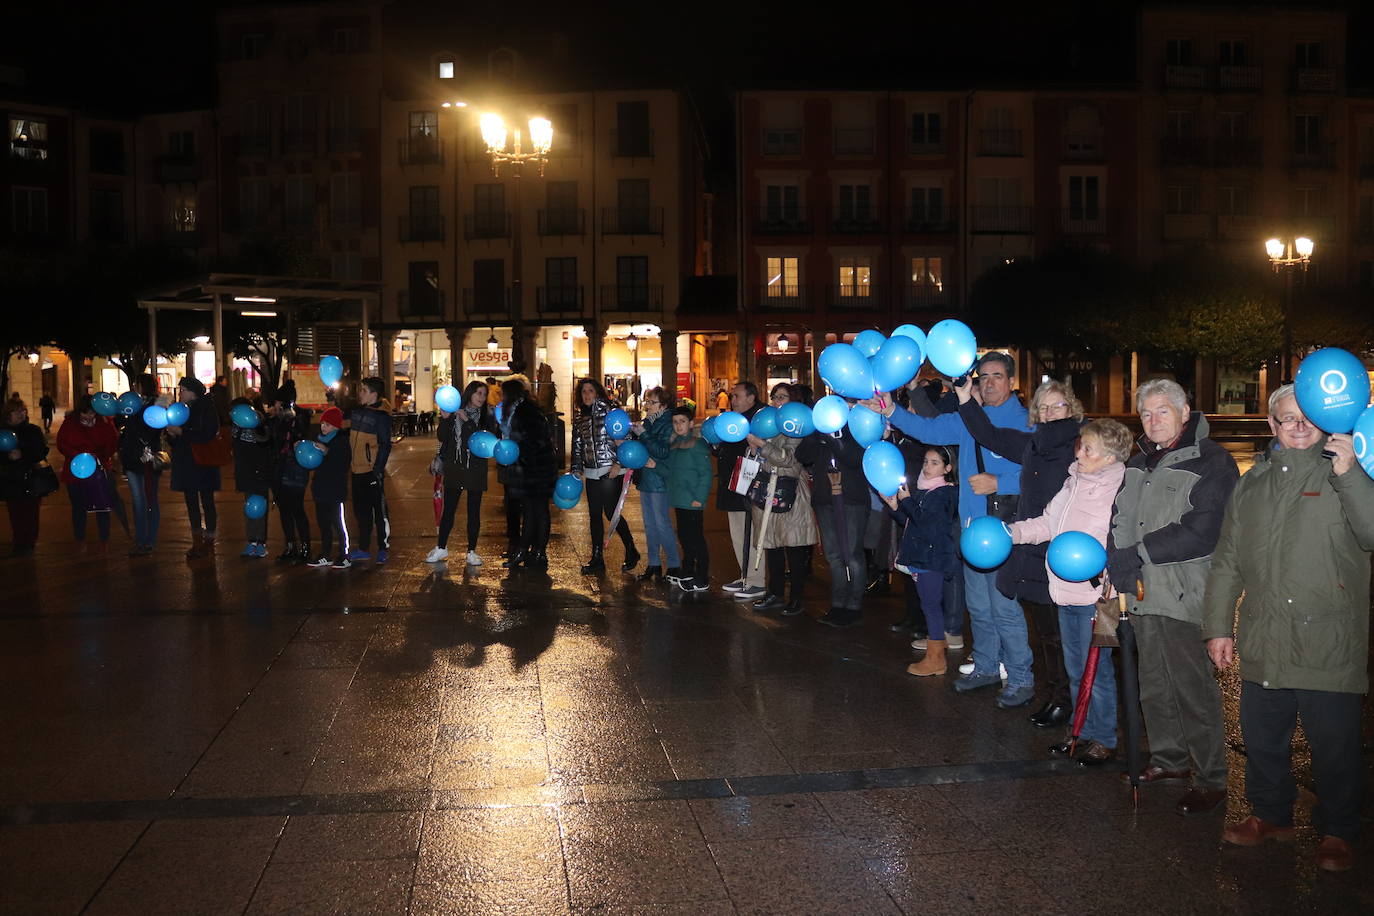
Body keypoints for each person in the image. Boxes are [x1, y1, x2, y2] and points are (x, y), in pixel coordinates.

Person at [1204, 385, 1374, 871]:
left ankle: (1340, 830)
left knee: (1335, 744)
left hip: (1328, 636)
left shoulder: (1346, 471)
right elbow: (1228, 561)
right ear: (1271, 426)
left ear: (1324, 420)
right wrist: (1218, 626)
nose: (1298, 426)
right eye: (1286, 419)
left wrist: (1351, 474)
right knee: (1262, 736)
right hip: (1265, 634)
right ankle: (1270, 814)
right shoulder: (1252, 483)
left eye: (1307, 417)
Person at [873, 352, 1034, 709]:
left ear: (1010, 381)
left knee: (1004, 607)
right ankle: (987, 667)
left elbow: (1044, 475)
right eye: (984, 377)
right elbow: (927, 430)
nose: (989, 383)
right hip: (969, 527)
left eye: (997, 376)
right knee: (977, 605)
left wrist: (1001, 481)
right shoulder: (970, 417)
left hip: (1004, 529)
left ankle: (1021, 677)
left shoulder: (1024, 422)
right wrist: (889, 411)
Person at [1107, 378, 1238, 816]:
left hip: (1185, 592)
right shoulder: (1139, 460)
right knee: (1154, 685)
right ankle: (1169, 760)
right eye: (1146, 412)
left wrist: (1135, 554)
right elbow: (1121, 516)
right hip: (1143, 591)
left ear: (1185, 412)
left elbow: (1203, 530)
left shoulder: (1212, 461)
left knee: (1192, 688)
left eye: (1163, 410)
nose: (1153, 419)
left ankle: (1212, 775)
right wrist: (1116, 562)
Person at [955, 377, 1085, 728]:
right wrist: (966, 398)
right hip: (1036, 547)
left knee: (1069, 635)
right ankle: (1057, 695)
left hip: (1069, 550)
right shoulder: (1033, 446)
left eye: (1056, 406)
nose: (1049, 412)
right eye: (1043, 407)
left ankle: (1074, 703)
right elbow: (991, 436)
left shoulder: (1081, 447)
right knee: (1047, 632)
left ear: (1071, 409)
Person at [1009, 419, 1132, 765]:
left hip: (1100, 597)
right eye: (1081, 444)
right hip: (1064, 593)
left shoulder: (1118, 491)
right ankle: (1081, 730)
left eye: (1088, 448)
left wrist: (1110, 574)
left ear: (1109, 458)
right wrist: (1013, 533)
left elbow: (1121, 541)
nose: (1080, 451)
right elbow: (1049, 523)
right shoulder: (1072, 481)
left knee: (1100, 670)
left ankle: (1104, 738)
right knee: (1076, 668)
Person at [744, 383, 818, 619]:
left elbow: (788, 460)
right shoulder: (767, 423)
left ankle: (797, 598)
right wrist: (754, 449)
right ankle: (774, 592)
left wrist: (762, 445)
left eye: (783, 397)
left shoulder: (795, 427)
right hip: (767, 489)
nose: (777, 401)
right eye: (775, 397)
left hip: (790, 493)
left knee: (793, 548)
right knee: (771, 545)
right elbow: (761, 458)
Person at [885, 445, 959, 675]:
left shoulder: (944, 493)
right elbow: (911, 522)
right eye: (926, 461)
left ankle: (936, 659)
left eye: (934, 463)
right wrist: (896, 506)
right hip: (923, 556)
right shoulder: (926, 490)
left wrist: (906, 502)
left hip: (932, 559)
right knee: (929, 604)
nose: (927, 467)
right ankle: (934, 650)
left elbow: (928, 525)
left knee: (931, 606)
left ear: (947, 468)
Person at [570, 378, 639, 574]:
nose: (587, 395)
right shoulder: (580, 418)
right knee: (594, 514)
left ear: (598, 392)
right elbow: (577, 447)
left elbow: (626, 439)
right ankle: (597, 558)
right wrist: (576, 468)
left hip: (611, 469)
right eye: (583, 392)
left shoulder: (612, 413)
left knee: (610, 512)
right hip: (591, 470)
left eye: (590, 391)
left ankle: (631, 549)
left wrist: (620, 463)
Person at [428, 380, 499, 565]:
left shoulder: (487, 417)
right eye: (478, 393)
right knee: (449, 510)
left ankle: (472, 551)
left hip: (476, 469)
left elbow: (484, 439)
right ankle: (441, 547)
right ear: (469, 394)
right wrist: (444, 419)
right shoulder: (454, 413)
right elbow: (442, 437)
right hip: (456, 467)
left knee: (473, 512)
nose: (481, 398)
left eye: (484, 394)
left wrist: (467, 421)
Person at [647, 406, 712, 591]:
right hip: (680, 499)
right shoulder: (675, 444)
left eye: (682, 421)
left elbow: (706, 474)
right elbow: (670, 472)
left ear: (691, 423)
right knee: (684, 537)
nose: (678, 425)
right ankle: (688, 571)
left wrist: (699, 498)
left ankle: (702, 576)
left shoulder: (697, 444)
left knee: (696, 539)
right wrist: (654, 466)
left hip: (693, 500)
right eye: (675, 422)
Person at [499, 378, 557, 569]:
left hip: (536, 469)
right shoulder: (523, 409)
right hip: (535, 468)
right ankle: (531, 551)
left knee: (538, 511)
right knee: (534, 511)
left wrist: (520, 456)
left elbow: (535, 441)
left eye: (503, 393)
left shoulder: (525, 411)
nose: (500, 397)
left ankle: (535, 551)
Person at [717, 381, 767, 600]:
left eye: (736, 396)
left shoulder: (759, 420)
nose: (732, 400)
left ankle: (757, 580)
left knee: (753, 534)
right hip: (733, 484)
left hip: (750, 485)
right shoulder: (732, 419)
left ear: (751, 398)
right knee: (738, 533)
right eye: (732, 396)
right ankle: (746, 575)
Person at [167, 377, 221, 559]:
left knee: (207, 500)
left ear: (193, 392)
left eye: (183, 389)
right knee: (191, 502)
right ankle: (197, 541)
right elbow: (177, 440)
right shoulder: (180, 409)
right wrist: (172, 435)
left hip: (203, 461)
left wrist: (182, 432)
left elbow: (207, 433)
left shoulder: (206, 407)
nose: (180, 393)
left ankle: (209, 539)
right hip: (186, 462)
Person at [630, 387, 680, 583]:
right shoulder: (649, 422)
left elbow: (662, 451)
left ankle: (674, 564)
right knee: (649, 524)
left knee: (662, 523)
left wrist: (642, 434)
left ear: (664, 405)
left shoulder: (668, 423)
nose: (647, 406)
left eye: (652, 402)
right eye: (647, 402)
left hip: (660, 479)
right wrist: (636, 434)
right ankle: (654, 563)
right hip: (646, 478)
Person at [56, 395, 119, 549]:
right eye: (86, 413)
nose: (89, 417)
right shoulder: (70, 423)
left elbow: (113, 443)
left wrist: (99, 456)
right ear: (79, 412)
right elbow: (61, 443)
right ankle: (79, 538)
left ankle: (104, 538)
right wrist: (78, 455)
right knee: (78, 507)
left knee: (102, 506)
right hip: (76, 471)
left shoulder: (104, 423)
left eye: (92, 413)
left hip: (99, 469)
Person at [346, 377, 393, 564]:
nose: (360, 393)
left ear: (374, 394)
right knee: (361, 512)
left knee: (379, 512)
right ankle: (364, 548)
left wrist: (377, 469)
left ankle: (383, 548)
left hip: (371, 472)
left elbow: (385, 445)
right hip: (356, 471)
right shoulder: (357, 412)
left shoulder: (381, 417)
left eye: (364, 390)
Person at [266, 382, 312, 563]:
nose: (274, 406)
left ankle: (305, 548)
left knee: (296, 509)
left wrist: (282, 420)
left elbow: (299, 437)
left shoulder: (298, 417)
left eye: (277, 402)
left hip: (295, 469)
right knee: (284, 510)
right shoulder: (276, 419)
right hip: (280, 469)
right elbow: (269, 442)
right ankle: (290, 546)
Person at [119, 374, 165, 557]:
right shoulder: (131, 404)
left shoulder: (156, 405)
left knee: (150, 498)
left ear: (141, 385)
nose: (133, 387)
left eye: (135, 383)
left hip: (148, 458)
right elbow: (122, 426)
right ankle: (141, 540)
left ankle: (149, 541)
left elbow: (152, 430)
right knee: (138, 500)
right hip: (131, 457)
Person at [0, 399, 49, 555]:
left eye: (23, 411)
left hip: (30, 479)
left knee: (31, 513)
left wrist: (23, 454)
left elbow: (41, 451)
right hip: (11, 480)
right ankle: (19, 541)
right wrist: (7, 457)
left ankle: (29, 542)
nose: (21, 414)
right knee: (15, 513)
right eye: (16, 411)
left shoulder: (33, 430)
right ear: (8, 414)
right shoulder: (2, 432)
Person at [308, 406, 352, 569]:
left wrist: (328, 452)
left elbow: (343, 464)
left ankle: (345, 554)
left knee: (338, 522)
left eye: (327, 424)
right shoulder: (319, 440)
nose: (323, 427)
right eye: (322, 424)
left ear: (335, 426)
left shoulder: (341, 440)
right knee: (323, 523)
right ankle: (325, 553)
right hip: (320, 489)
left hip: (335, 490)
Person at [230, 396, 271, 558]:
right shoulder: (236, 429)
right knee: (249, 508)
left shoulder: (259, 428)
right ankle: (252, 541)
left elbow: (265, 444)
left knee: (259, 508)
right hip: (246, 474)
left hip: (259, 474)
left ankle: (260, 542)